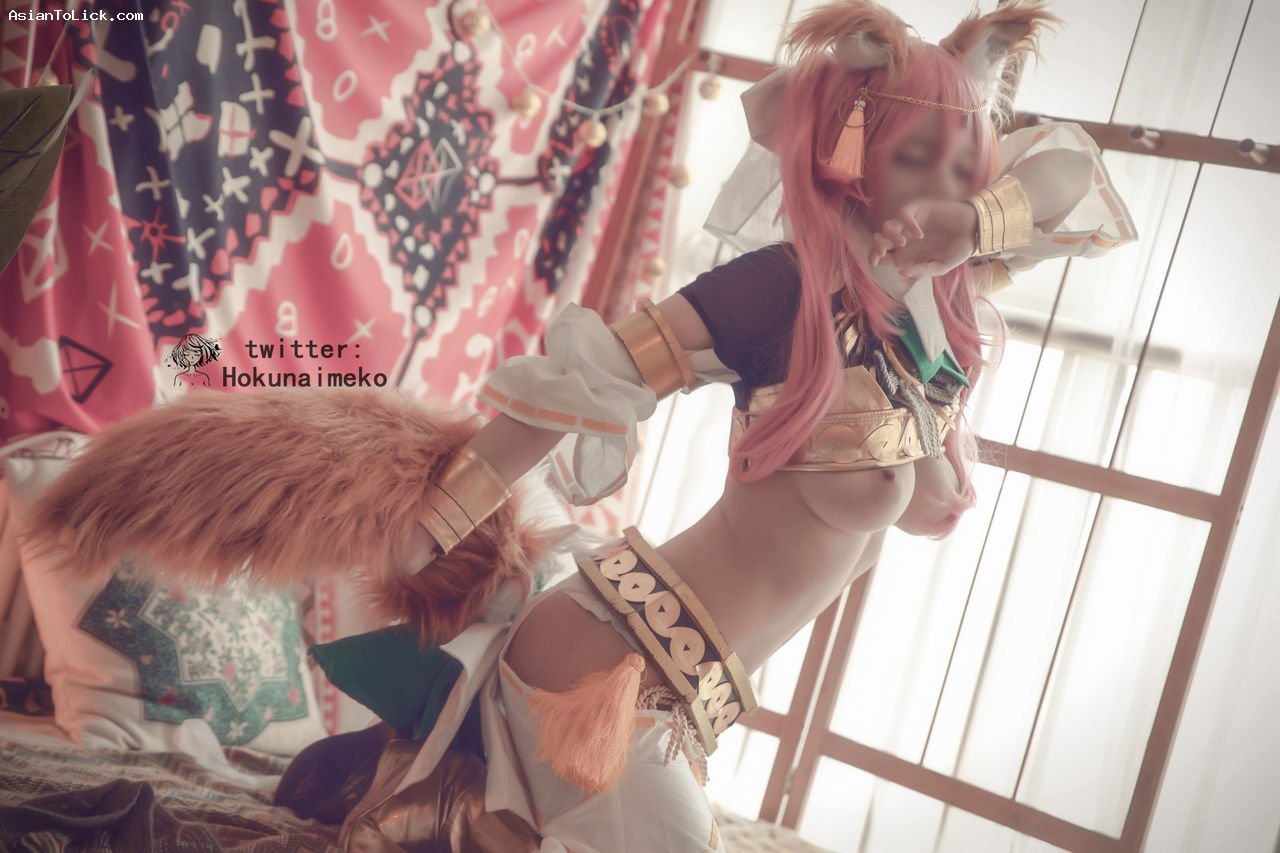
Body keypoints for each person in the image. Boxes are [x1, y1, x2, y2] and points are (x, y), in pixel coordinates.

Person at [345, 0, 1138, 849]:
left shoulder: (933, 328)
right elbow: (588, 379)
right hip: (607, 657)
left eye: (967, 164)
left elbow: (1082, 187)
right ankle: (464, 807)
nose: (947, 187)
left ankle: (471, 812)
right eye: (916, 157)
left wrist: (974, 229)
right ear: (852, 155)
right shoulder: (783, 286)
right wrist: (438, 521)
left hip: (692, 702)